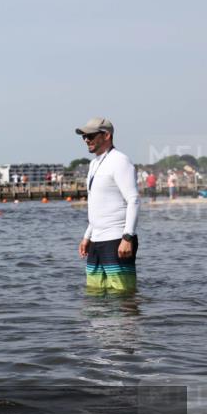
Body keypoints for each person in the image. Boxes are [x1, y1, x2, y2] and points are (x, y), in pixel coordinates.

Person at [75, 117, 140, 293]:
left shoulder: (120, 161)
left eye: (91, 135)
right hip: (96, 239)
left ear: (106, 135)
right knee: (94, 294)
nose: (86, 140)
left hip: (117, 238)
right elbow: (98, 205)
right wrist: (87, 235)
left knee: (123, 295)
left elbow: (133, 200)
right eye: (84, 137)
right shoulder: (94, 163)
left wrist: (127, 237)